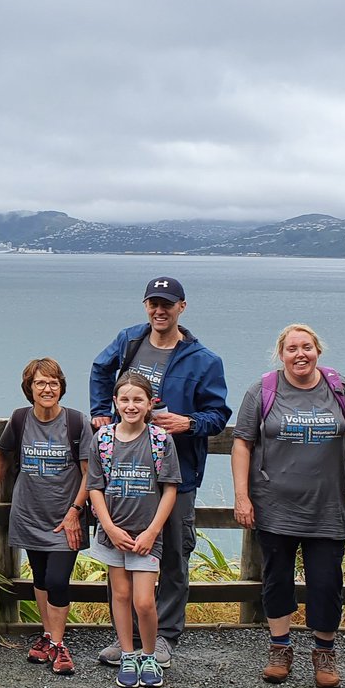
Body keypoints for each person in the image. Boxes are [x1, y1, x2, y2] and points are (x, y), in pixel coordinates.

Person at [89, 276, 230, 668]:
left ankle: (164, 637)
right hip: (123, 474)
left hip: (176, 474)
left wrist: (189, 423)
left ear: (182, 307)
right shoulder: (129, 341)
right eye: (153, 302)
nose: (159, 310)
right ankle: (128, 639)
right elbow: (100, 370)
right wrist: (101, 412)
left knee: (171, 555)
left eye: (167, 303)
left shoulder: (203, 359)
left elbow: (218, 415)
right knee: (120, 555)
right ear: (145, 305)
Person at [231, 324, 345, 688]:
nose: (300, 354)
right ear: (280, 354)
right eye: (292, 348)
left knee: (327, 581)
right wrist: (242, 496)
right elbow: (242, 443)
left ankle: (324, 652)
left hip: (327, 505)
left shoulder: (339, 388)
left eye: (307, 347)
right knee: (277, 576)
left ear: (318, 350)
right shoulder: (263, 389)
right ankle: (280, 648)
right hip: (275, 504)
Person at [0, 358, 92, 675]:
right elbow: (4, 452)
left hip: (65, 517)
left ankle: (58, 644)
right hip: (29, 513)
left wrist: (75, 511)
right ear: (29, 387)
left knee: (58, 579)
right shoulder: (19, 420)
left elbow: (89, 473)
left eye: (53, 382)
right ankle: (47, 635)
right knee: (41, 578)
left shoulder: (75, 422)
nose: (47, 388)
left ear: (62, 387)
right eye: (40, 382)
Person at [87, 373, 181, 688]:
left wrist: (153, 531)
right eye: (124, 399)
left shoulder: (159, 440)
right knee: (121, 595)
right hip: (114, 534)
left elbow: (169, 489)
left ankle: (150, 655)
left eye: (137, 399)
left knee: (144, 601)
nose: (130, 405)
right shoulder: (102, 439)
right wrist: (109, 528)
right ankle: (128, 654)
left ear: (149, 403)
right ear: (115, 402)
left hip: (146, 536)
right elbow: (95, 488)